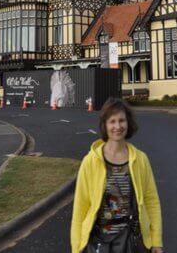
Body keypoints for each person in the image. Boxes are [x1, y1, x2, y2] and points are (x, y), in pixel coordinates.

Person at [71, 98, 163, 253]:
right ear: (105, 125)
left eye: (122, 120)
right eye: (112, 121)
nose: (118, 126)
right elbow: (80, 206)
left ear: (128, 123)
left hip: (131, 241)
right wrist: (76, 247)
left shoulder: (140, 159)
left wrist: (156, 242)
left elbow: (151, 201)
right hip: (99, 242)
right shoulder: (90, 162)